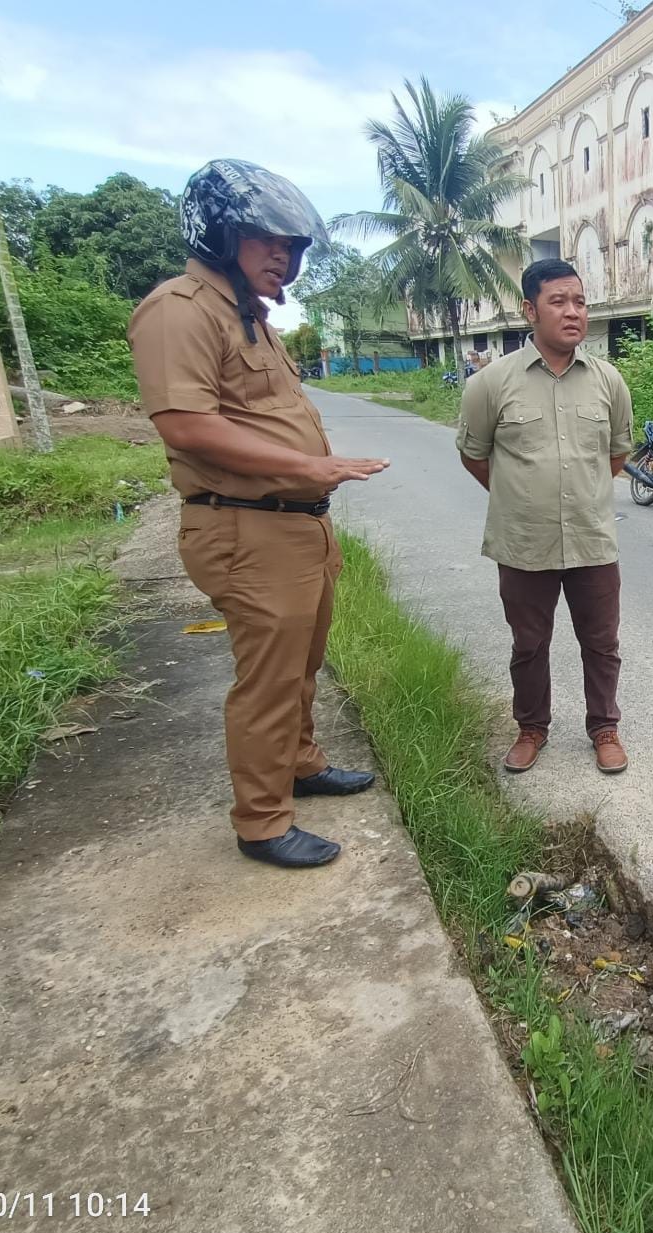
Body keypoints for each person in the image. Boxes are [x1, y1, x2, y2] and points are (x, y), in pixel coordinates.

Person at [128, 159, 390, 870]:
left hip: (295, 528)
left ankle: (301, 765)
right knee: (268, 680)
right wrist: (310, 467)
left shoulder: (252, 319)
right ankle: (263, 822)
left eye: (294, 246)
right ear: (219, 233)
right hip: (244, 526)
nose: (285, 257)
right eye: (267, 240)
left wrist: (313, 483)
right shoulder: (179, 309)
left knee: (301, 665)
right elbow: (185, 423)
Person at [456, 258, 633, 776]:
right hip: (522, 543)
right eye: (559, 302)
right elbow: (474, 454)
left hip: (591, 540)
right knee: (529, 644)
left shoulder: (608, 381)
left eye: (579, 301)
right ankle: (532, 728)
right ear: (529, 310)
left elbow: (615, 455)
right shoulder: (490, 384)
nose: (573, 312)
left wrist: (576, 494)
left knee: (602, 643)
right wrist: (520, 497)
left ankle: (604, 728)